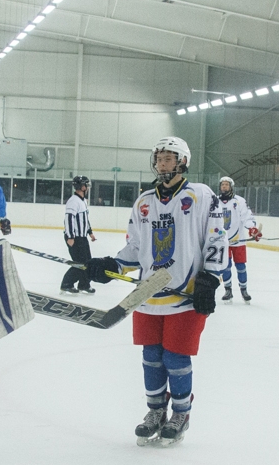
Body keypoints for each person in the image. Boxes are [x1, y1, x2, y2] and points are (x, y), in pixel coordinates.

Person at [84, 138, 225, 446]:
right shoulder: (144, 201)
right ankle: (156, 412)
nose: (162, 163)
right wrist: (112, 265)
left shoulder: (201, 195)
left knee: (175, 356)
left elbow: (216, 238)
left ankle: (181, 414)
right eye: (159, 158)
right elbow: (136, 247)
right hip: (148, 294)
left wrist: (210, 278)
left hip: (186, 294)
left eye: (168, 158)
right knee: (151, 356)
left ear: (183, 161)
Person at [215, 175, 259, 302]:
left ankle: (243, 290)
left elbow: (246, 217)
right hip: (223, 241)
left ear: (231, 187)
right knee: (226, 266)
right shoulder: (215, 201)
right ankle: (228, 290)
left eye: (226, 185)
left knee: (241, 266)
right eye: (222, 185)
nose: (224, 187)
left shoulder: (239, 201)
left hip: (238, 240)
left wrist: (252, 228)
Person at [61, 176, 95, 295]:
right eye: (86, 185)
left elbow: (84, 218)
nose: (88, 187)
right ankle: (66, 284)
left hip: (82, 237)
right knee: (80, 263)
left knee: (88, 263)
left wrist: (90, 232)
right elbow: (69, 219)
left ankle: (84, 284)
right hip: (75, 238)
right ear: (82, 187)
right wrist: (71, 237)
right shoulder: (73, 201)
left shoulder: (83, 201)